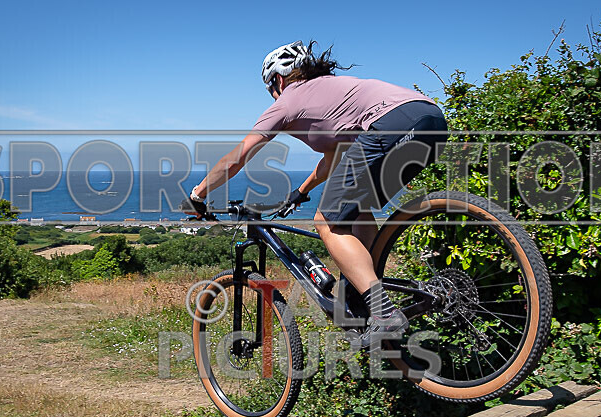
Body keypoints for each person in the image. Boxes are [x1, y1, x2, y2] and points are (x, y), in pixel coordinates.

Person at [181, 41, 448, 346]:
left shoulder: (287, 101)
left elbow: (238, 157)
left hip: (391, 126)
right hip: (431, 122)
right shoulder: (333, 90)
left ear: (277, 80)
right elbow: (335, 157)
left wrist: (198, 194)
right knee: (358, 209)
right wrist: (301, 191)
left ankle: (383, 313)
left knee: (326, 222)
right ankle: (364, 300)